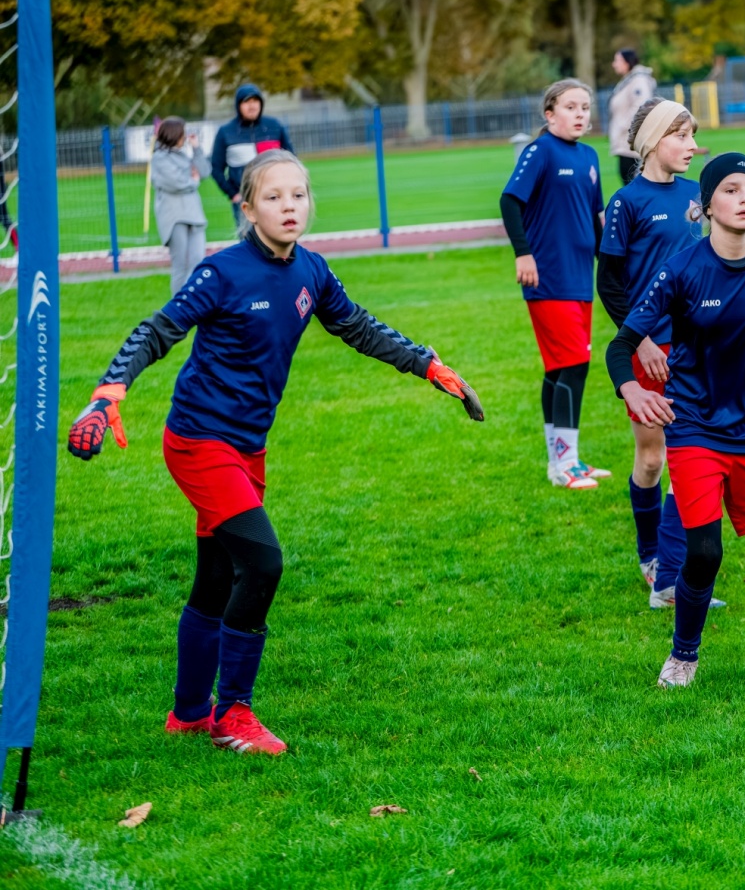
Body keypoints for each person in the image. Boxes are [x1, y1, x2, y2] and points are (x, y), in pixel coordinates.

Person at [66, 150, 484, 755]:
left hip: (248, 448)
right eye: (273, 197)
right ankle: (233, 714)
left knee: (216, 577)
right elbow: (158, 329)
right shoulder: (222, 272)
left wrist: (428, 366)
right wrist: (110, 390)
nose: (289, 206)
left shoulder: (312, 270)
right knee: (262, 564)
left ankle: (189, 713)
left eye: (298, 195)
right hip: (199, 442)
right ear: (247, 207)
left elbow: (358, 326)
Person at [606, 153, 745, 688]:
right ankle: (683, 655)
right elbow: (621, 346)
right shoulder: (681, 269)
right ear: (707, 205)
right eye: (731, 190)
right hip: (696, 429)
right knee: (704, 553)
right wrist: (632, 388)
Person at [597, 97, 718, 609]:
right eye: (681, 136)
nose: (692, 146)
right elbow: (610, 284)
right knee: (652, 458)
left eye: (693, 136)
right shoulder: (626, 202)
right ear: (653, 141)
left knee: (691, 458)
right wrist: (641, 340)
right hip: (648, 347)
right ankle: (651, 557)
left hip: (696, 347)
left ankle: (670, 578)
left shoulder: (697, 195)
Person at [500, 79, 611, 489]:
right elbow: (510, 201)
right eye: (570, 107)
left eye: (585, 107)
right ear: (549, 114)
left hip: (581, 278)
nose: (580, 114)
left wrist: (610, 266)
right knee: (574, 366)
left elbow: (595, 219)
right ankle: (566, 464)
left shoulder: (590, 156)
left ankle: (561, 462)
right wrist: (523, 253)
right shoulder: (540, 151)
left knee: (561, 368)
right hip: (548, 278)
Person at [210, 84, 294, 225]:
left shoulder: (274, 126)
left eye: (255, 101)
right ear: (238, 105)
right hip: (245, 201)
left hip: (276, 198)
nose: (252, 106)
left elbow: (291, 161)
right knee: (249, 239)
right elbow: (216, 168)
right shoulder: (225, 132)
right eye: (247, 102)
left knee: (278, 236)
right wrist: (232, 194)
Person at [150, 117, 211, 293]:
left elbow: (204, 171)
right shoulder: (159, 158)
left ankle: (193, 300)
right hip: (174, 217)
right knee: (181, 265)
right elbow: (176, 183)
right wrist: (194, 181)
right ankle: (178, 306)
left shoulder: (184, 156)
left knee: (198, 262)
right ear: (174, 134)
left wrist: (196, 149)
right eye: (182, 133)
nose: (185, 137)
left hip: (194, 215)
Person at [608, 49, 658, 186]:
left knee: (634, 184)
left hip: (631, 144)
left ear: (627, 62)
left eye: (617, 60)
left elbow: (640, 107)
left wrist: (623, 127)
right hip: (625, 143)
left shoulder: (638, 81)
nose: (614, 64)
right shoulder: (629, 80)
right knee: (629, 182)